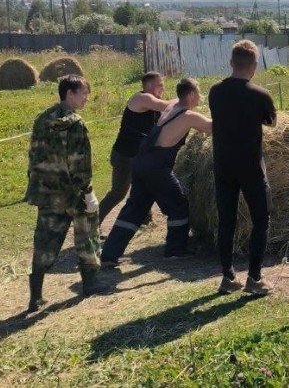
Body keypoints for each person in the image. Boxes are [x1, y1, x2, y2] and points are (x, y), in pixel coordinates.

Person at [101, 78, 211, 265]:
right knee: (178, 204)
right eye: (199, 93)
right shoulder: (188, 116)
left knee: (134, 208)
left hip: (141, 161)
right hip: (157, 168)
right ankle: (175, 250)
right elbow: (211, 127)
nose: (200, 97)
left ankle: (109, 254)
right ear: (191, 94)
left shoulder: (170, 109)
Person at [25, 74, 107, 313]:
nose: (86, 99)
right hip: (73, 193)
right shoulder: (75, 124)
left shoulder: (41, 119)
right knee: (87, 236)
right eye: (83, 94)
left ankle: (36, 296)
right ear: (69, 93)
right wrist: (87, 191)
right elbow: (79, 163)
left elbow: (34, 156)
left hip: (47, 192)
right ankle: (90, 284)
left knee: (45, 241)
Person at [209, 39, 277, 296]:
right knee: (262, 217)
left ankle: (227, 277)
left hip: (223, 164)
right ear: (254, 65)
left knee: (226, 220)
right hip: (250, 166)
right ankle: (255, 278)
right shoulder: (260, 95)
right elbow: (271, 123)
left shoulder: (215, 91)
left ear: (231, 63)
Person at [98, 71, 174, 232]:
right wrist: (185, 97)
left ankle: (145, 220)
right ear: (149, 86)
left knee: (144, 186)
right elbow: (166, 106)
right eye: (160, 84)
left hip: (137, 156)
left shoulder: (153, 104)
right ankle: (91, 227)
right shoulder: (142, 98)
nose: (163, 87)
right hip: (125, 155)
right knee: (118, 193)